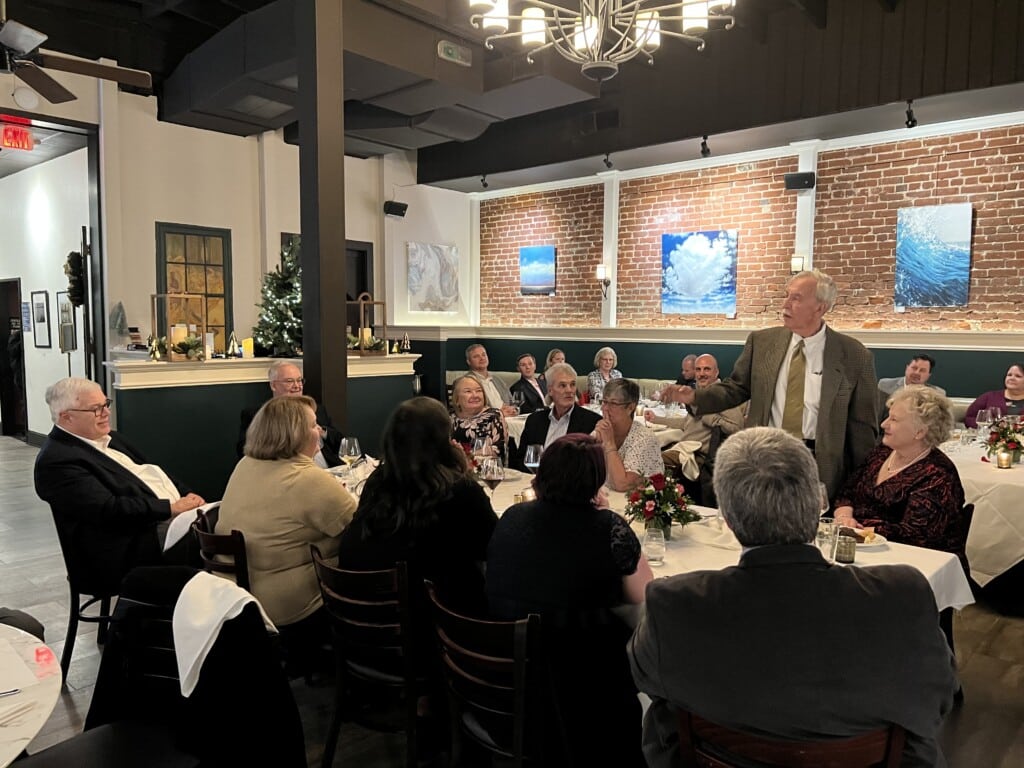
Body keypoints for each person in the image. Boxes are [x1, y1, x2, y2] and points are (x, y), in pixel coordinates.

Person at [629, 427, 957, 768]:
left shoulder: (675, 602)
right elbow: (940, 695)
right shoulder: (902, 594)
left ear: (725, 519)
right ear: (817, 504)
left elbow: (647, 678)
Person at [488, 434, 653, 768]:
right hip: (582, 678)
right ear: (595, 481)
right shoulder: (607, 527)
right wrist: (606, 514)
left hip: (509, 664)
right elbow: (645, 592)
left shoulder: (513, 516)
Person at [661, 269, 878, 498]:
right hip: (764, 455)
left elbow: (862, 429)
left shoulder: (854, 356)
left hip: (819, 463)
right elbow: (736, 388)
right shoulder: (763, 342)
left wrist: (857, 492)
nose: (785, 304)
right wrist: (694, 397)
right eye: (787, 295)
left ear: (820, 307)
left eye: (796, 298)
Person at [34, 378, 206, 595]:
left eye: (105, 404)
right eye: (95, 409)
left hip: (162, 521)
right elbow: (109, 510)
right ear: (66, 417)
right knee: (212, 543)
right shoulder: (57, 461)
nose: (105, 413)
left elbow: (156, 471)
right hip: (122, 549)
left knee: (224, 526)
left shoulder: (111, 438)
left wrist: (186, 493)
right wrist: (171, 508)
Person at [218, 395, 356, 658]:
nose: (319, 432)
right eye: (314, 426)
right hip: (291, 606)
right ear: (296, 435)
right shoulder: (306, 478)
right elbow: (359, 531)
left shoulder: (245, 464)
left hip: (237, 594)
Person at [338, 397, 497, 616]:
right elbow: (491, 548)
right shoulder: (459, 489)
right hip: (436, 620)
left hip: (366, 614)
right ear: (442, 439)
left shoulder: (378, 481)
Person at [833, 386, 966, 558]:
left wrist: (856, 529)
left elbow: (914, 536)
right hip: (858, 551)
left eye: (894, 420)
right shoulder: (882, 453)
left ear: (920, 432)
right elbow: (846, 493)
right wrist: (844, 518)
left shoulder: (938, 475)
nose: (883, 424)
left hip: (914, 567)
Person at [649, 354, 746, 493]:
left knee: (652, 461)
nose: (701, 373)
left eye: (707, 369)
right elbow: (685, 423)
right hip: (683, 447)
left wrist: (706, 414)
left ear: (716, 372)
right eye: (698, 369)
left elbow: (737, 428)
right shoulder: (698, 394)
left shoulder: (722, 396)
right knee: (648, 449)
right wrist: (656, 419)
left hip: (696, 455)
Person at [236, 360, 342, 467]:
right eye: (289, 381)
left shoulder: (317, 409)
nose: (297, 386)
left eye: (299, 380)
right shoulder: (257, 415)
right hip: (287, 473)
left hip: (331, 470)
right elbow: (244, 451)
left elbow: (341, 442)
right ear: (273, 385)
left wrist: (322, 431)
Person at [510, 362, 600, 470]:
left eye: (572, 384)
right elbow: (521, 461)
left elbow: (590, 468)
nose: (569, 390)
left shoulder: (591, 422)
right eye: (562, 385)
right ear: (550, 390)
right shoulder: (534, 421)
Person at [595, 378, 664, 491]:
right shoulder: (602, 431)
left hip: (636, 504)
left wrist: (609, 443)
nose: (605, 408)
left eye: (613, 403)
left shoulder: (644, 439)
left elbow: (622, 484)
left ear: (631, 408)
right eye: (604, 401)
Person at [450, 374, 508, 462]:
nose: (475, 395)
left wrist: (466, 455)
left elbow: (498, 449)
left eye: (479, 391)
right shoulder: (449, 417)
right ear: (457, 399)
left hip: (487, 469)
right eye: (468, 391)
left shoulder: (493, 415)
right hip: (454, 468)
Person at [964, 362, 1024, 427]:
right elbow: (969, 418)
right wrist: (987, 428)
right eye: (1009, 375)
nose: (1012, 378)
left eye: (1018, 376)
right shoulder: (989, 396)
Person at [465, 343, 517, 416]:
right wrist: (499, 413)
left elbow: (512, 401)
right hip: (487, 421)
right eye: (476, 356)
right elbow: (471, 409)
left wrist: (513, 409)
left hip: (509, 418)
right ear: (469, 362)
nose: (482, 358)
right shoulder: (466, 382)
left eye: (484, 354)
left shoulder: (497, 380)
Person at [878, 354, 945, 396]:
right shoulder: (884, 385)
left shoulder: (937, 393)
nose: (916, 373)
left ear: (928, 375)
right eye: (914, 368)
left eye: (922, 370)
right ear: (907, 368)